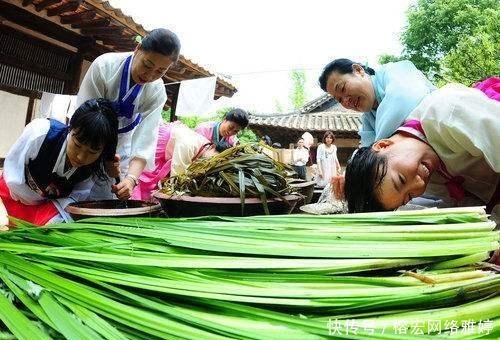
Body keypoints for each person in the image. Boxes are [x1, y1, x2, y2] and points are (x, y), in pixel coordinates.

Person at [343, 84, 499, 214]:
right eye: (409, 196)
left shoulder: (446, 112)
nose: (419, 186)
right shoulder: (429, 170)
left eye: (401, 180)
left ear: (383, 145)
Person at [77, 28, 181, 201]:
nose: (149, 75)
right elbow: (86, 116)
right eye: (147, 65)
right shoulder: (105, 66)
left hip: (122, 152)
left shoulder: (156, 91)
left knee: (106, 202)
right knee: (74, 196)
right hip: (87, 145)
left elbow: (146, 138)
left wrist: (131, 179)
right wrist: (101, 155)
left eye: (160, 72)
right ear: (138, 48)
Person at [0, 99, 118, 225]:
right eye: (77, 145)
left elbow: (78, 196)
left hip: (47, 207)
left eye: (92, 152)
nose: (81, 157)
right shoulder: (41, 133)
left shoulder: (96, 166)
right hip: (14, 196)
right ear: (70, 129)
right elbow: (12, 171)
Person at [318, 58, 435, 147]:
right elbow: (366, 148)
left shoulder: (396, 70)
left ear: (358, 70)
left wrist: (376, 151)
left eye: (342, 88)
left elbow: (403, 100)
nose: (346, 101)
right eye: (339, 100)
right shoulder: (368, 119)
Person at [131, 122, 219, 201]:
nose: (210, 161)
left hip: (165, 150)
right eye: (214, 156)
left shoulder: (205, 145)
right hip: (159, 145)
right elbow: (177, 177)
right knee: (140, 173)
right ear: (213, 147)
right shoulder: (190, 145)